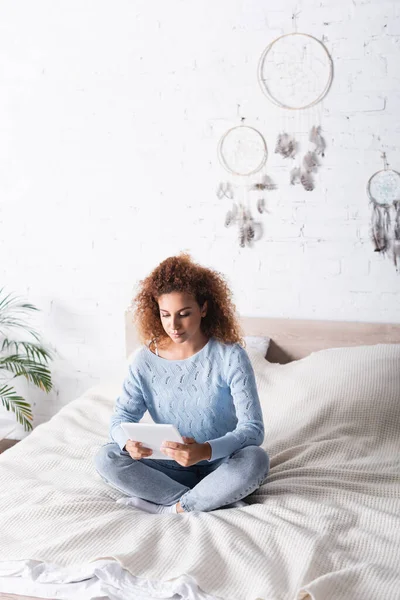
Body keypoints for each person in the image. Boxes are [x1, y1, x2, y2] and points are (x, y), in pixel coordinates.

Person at [94, 253, 269, 514]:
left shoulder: (230, 355)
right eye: (165, 315)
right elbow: (119, 420)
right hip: (168, 467)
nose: (173, 326)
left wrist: (205, 450)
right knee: (107, 456)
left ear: (204, 308)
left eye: (184, 314)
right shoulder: (145, 360)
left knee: (256, 459)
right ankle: (198, 502)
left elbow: (253, 430)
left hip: (219, 465)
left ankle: (171, 507)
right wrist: (127, 443)